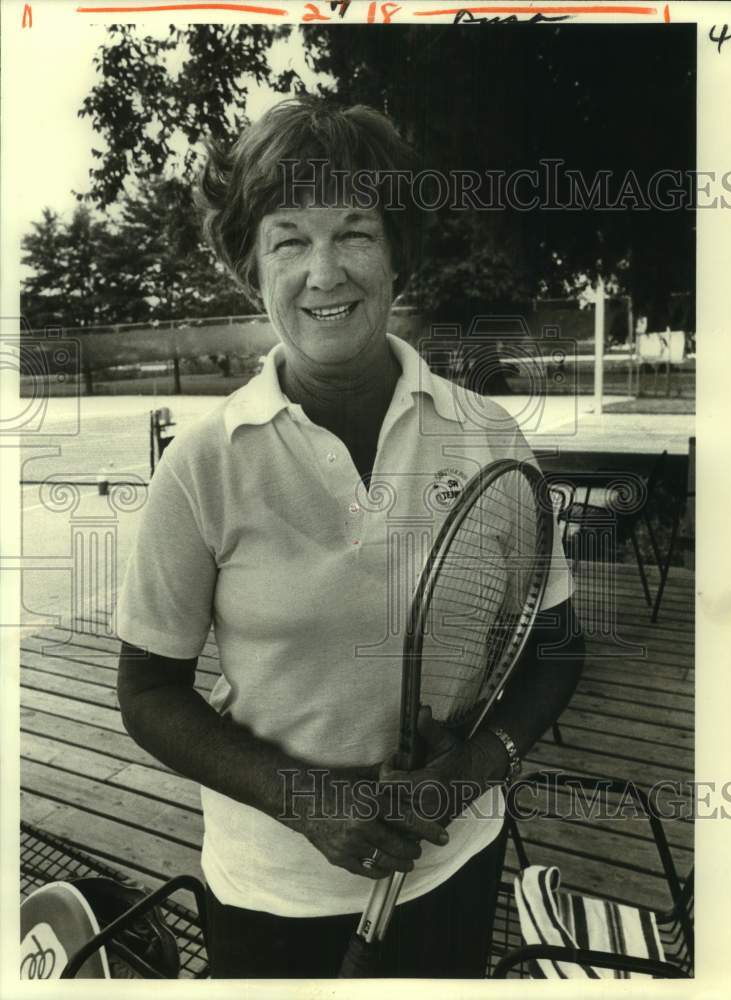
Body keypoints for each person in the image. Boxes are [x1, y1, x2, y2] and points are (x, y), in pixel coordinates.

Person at [116, 96, 585, 979]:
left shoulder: (486, 435)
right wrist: (306, 802)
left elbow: (553, 652)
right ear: (250, 266)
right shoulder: (202, 465)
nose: (324, 271)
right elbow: (147, 691)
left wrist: (478, 765)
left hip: (454, 863)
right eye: (289, 238)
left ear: (396, 252)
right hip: (273, 893)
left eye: (355, 232)